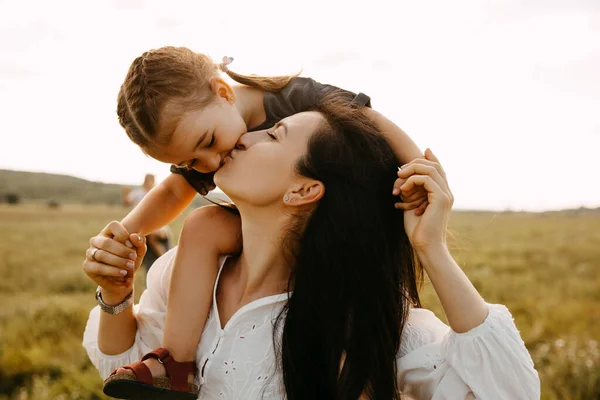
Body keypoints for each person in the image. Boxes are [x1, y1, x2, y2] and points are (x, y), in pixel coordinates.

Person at [83, 99, 540, 399]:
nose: (245, 135)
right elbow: (124, 364)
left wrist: (432, 249)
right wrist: (116, 296)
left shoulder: (364, 319)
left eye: (274, 134)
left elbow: (510, 392)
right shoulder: (187, 272)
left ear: (304, 190)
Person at [85, 45, 430, 398]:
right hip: (266, 229)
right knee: (203, 226)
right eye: (191, 162)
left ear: (222, 93)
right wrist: (122, 237)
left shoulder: (293, 98)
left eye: (208, 142)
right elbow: (174, 193)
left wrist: (420, 169)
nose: (210, 163)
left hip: (336, 230)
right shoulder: (209, 144)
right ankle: (175, 364)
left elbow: (368, 120)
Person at [123, 174, 172, 270]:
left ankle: (164, 257)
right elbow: (127, 202)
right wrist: (125, 193)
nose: (149, 183)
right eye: (148, 181)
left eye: (151, 181)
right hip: (141, 226)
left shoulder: (157, 193)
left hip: (155, 225)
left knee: (153, 236)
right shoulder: (137, 193)